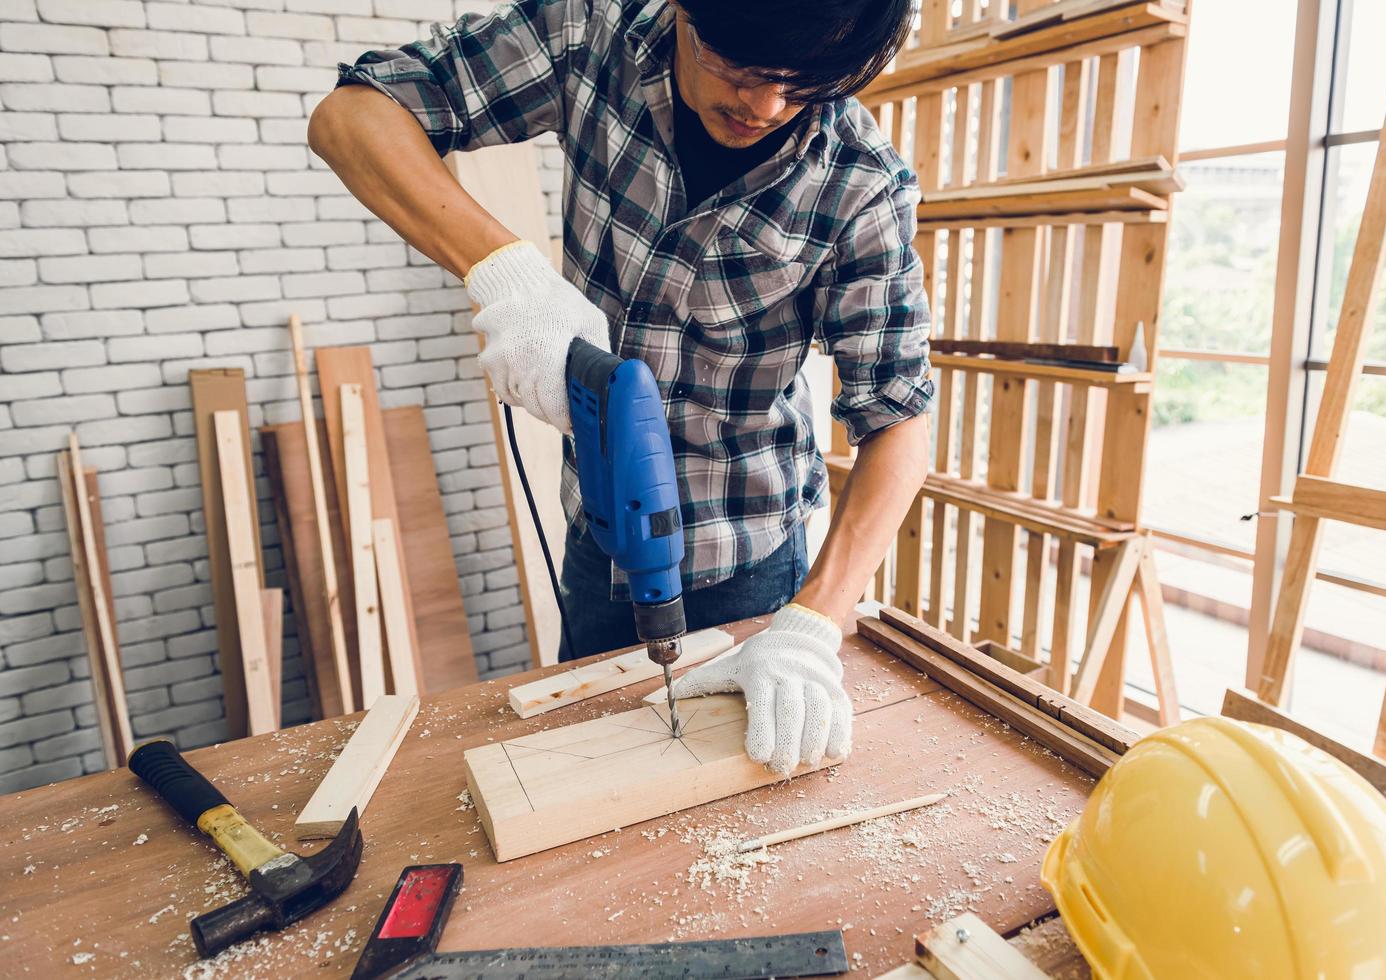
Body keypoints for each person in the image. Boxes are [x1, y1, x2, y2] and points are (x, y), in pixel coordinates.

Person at [309, 0, 932, 777]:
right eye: (737, 69)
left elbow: (899, 421)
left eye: (799, 86)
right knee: (577, 775)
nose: (763, 108)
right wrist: (506, 273)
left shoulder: (860, 182)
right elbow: (351, 117)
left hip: (747, 558)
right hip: (600, 537)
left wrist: (811, 625)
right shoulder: (589, 34)